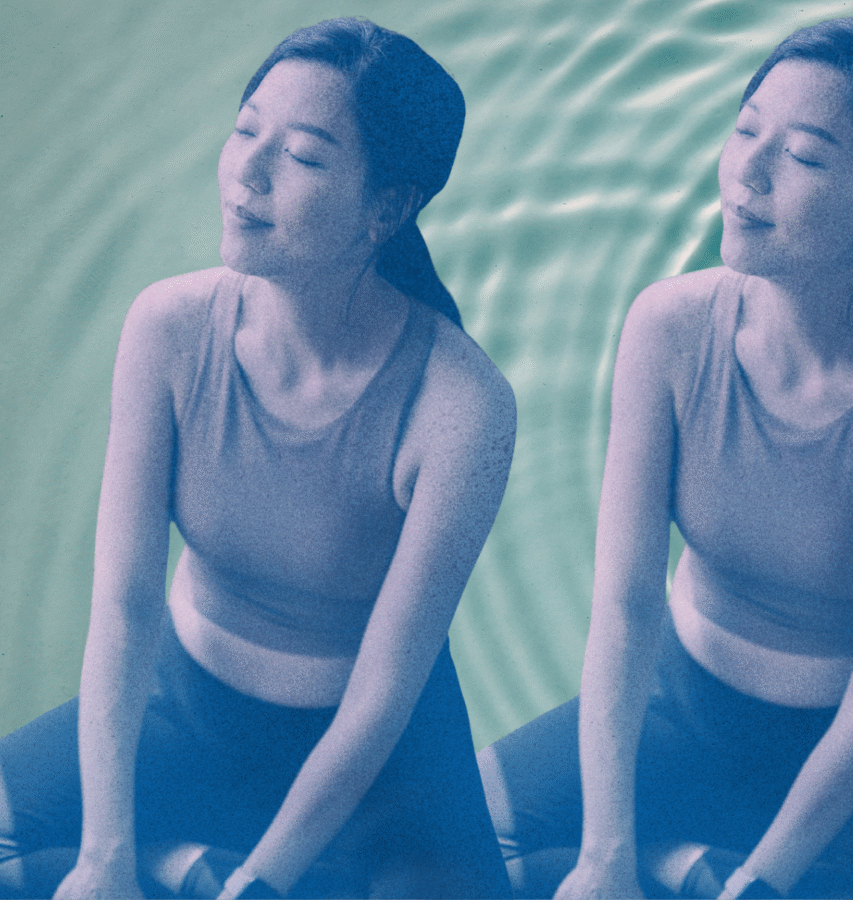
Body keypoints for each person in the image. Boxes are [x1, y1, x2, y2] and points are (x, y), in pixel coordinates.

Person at [477, 17, 853, 900]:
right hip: (682, 707)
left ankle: (707, 868)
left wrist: (763, 881)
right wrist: (607, 853)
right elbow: (622, 605)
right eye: (744, 131)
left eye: (803, 157)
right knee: (467, 842)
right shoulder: (671, 326)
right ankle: (676, 863)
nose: (748, 176)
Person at [0, 18, 515, 899]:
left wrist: (265, 883)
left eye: (306, 157)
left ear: (385, 208)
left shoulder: (460, 404)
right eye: (246, 132)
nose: (249, 171)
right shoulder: (167, 327)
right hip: (183, 706)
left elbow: (385, 691)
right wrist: (105, 854)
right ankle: (180, 863)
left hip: (379, 766)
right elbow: (124, 607)